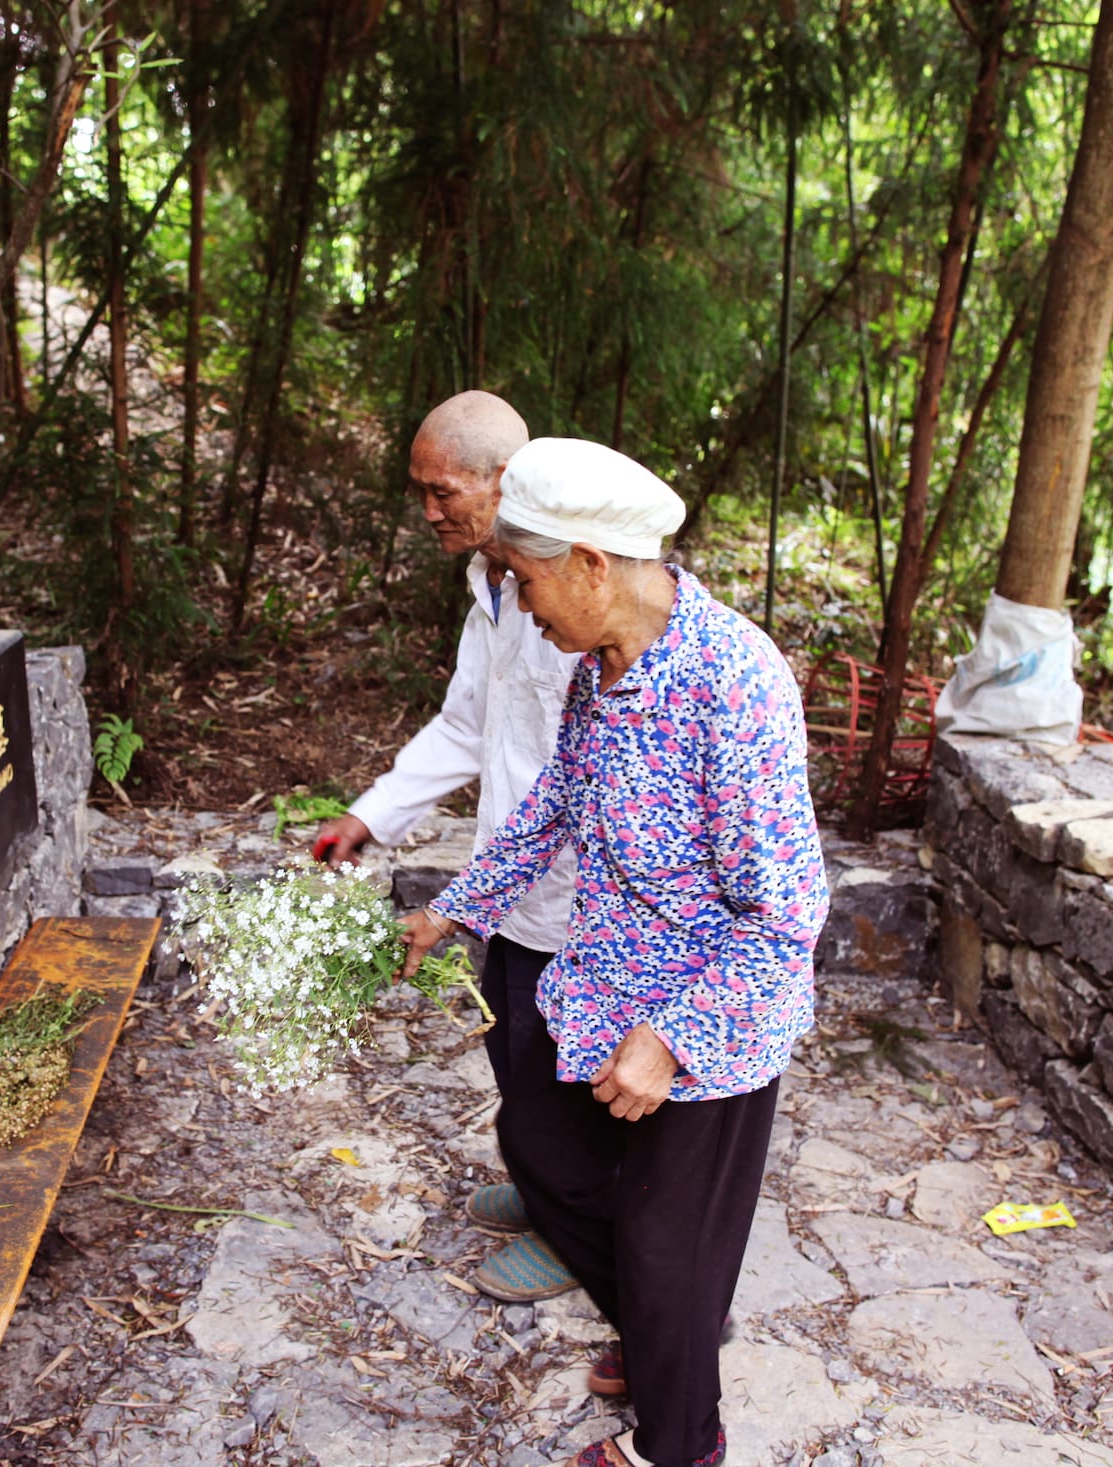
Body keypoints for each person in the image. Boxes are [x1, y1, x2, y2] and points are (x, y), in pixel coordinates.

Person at [399, 437, 830, 1467]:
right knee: (544, 1154)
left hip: (713, 1011)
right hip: (604, 984)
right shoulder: (604, 666)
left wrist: (672, 1041)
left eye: (527, 580)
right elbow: (557, 802)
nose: (523, 606)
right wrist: (460, 907)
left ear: (592, 564)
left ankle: (679, 1440)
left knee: (663, 1242)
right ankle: (659, 1328)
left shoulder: (735, 683)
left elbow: (785, 914)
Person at [307, 390, 586, 1302]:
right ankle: (549, 1183)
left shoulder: (571, 599)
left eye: (442, 490)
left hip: (582, 888)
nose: (428, 509)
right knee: (517, 1046)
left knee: (564, 1058)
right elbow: (466, 726)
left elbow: (589, 766)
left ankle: (574, 1225)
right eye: (420, 491)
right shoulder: (492, 592)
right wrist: (371, 815)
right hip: (511, 878)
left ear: (504, 481)